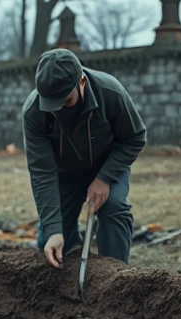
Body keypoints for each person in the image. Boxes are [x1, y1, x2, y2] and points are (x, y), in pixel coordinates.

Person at [22, 48, 147, 269]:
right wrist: (53, 230)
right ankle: (69, 278)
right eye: (51, 104)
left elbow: (134, 138)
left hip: (107, 165)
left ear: (81, 81)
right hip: (64, 174)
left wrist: (104, 178)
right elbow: (42, 172)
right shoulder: (34, 111)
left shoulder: (111, 93)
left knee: (114, 209)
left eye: (65, 101)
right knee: (48, 241)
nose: (58, 110)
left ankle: (115, 277)